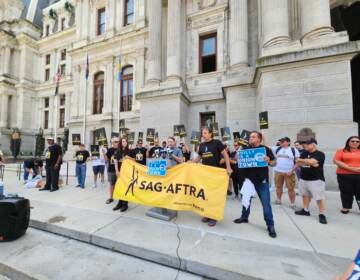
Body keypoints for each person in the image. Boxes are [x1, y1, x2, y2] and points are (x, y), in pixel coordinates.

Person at [233, 131, 277, 238]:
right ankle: (244, 217)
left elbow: (274, 162)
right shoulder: (244, 149)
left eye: (253, 137)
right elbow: (236, 159)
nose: (250, 138)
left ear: (259, 139)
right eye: (250, 137)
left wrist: (269, 160)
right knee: (245, 200)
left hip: (261, 181)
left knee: (266, 204)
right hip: (247, 181)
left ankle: (270, 225)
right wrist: (237, 157)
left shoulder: (265, 149)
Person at [192, 126, 232, 227]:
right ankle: (207, 214)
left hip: (216, 174)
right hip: (205, 174)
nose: (203, 135)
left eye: (205, 133)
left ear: (210, 134)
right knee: (206, 194)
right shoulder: (201, 145)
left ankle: (213, 216)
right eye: (202, 133)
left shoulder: (217, 143)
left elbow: (226, 155)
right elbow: (199, 157)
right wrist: (190, 164)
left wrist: (228, 168)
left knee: (214, 196)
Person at [295, 138, 327, 224]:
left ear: (313, 144)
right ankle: (305, 210)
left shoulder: (320, 154)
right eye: (304, 144)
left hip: (316, 180)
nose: (304, 145)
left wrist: (307, 161)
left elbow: (313, 161)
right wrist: (309, 162)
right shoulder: (304, 153)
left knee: (319, 198)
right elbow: (298, 163)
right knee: (305, 195)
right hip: (303, 178)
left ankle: (322, 214)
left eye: (307, 144)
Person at [333, 136, 360, 214]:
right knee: (346, 192)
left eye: (357, 141)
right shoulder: (341, 151)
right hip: (344, 175)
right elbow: (336, 161)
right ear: (348, 142)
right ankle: (346, 207)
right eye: (352, 141)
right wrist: (352, 169)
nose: (355, 143)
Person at [272, 137, 300, 208]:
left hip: (289, 172)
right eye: (281, 141)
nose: (281, 143)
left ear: (288, 142)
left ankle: (292, 203)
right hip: (278, 171)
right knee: (278, 187)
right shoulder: (277, 149)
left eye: (283, 142)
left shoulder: (294, 150)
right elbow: (266, 146)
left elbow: (298, 162)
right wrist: (263, 134)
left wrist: (292, 171)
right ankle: (278, 200)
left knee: (290, 188)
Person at [113, 137, 132, 212]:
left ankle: (125, 204)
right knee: (120, 187)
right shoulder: (118, 151)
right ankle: (119, 203)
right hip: (120, 172)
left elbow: (134, 160)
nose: (124, 142)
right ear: (121, 143)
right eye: (123, 141)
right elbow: (115, 161)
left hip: (127, 173)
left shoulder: (130, 151)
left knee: (126, 188)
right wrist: (117, 171)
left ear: (127, 143)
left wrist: (129, 158)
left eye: (125, 141)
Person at [105, 138, 120, 204]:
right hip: (111, 170)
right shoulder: (110, 150)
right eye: (113, 142)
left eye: (116, 141)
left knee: (120, 185)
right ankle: (111, 197)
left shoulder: (121, 150)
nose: (115, 143)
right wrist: (104, 153)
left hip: (120, 170)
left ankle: (121, 199)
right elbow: (106, 160)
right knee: (111, 184)